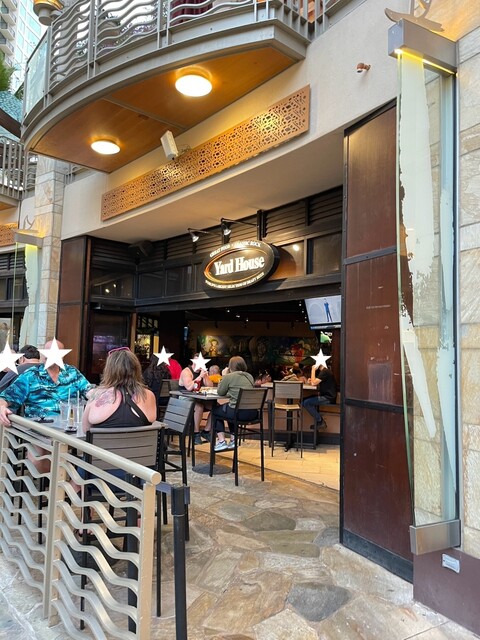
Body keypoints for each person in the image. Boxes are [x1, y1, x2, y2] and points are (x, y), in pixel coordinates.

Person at [0, 339, 93, 473]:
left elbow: (90, 392)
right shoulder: (31, 375)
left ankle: (65, 478)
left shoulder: (72, 373)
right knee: (37, 460)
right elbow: (5, 398)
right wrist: (2, 407)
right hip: (38, 430)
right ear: (42, 354)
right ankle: (62, 477)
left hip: (69, 430)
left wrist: (103, 395)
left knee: (91, 454)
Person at [82, 348, 157, 432]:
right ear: (136, 369)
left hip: (103, 440)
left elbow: (85, 430)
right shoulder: (148, 395)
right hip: (141, 440)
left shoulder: (96, 394)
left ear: (109, 371)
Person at [212, 356, 257, 452]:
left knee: (215, 411)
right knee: (229, 408)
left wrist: (224, 376)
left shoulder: (229, 377)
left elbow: (220, 392)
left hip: (238, 413)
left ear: (230, 366)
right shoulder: (249, 376)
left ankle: (221, 441)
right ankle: (233, 440)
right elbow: (239, 391)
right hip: (253, 413)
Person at [179, 356, 213, 445]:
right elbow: (189, 387)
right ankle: (196, 433)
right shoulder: (186, 372)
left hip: (199, 398)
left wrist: (205, 376)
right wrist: (200, 377)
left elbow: (210, 386)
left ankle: (206, 431)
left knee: (215, 407)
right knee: (199, 406)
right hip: (185, 398)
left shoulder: (202, 372)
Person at [302, 362, 337, 429]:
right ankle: (319, 421)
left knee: (306, 403)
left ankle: (320, 421)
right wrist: (312, 381)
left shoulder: (325, 372)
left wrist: (313, 370)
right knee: (304, 401)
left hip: (328, 398)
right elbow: (315, 382)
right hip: (327, 396)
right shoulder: (325, 372)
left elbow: (313, 383)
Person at [142, 354, 172, 419]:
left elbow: (142, 384)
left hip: (152, 398)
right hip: (166, 399)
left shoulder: (148, 372)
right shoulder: (166, 372)